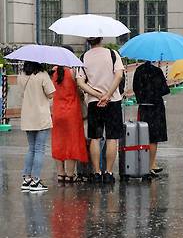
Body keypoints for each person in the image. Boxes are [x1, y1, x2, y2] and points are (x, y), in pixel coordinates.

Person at [76, 37, 125, 184]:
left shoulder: (84, 57)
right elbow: (119, 75)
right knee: (112, 138)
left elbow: (80, 82)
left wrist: (97, 95)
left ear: (88, 40)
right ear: (101, 39)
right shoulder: (113, 54)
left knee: (95, 138)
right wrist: (108, 95)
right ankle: (109, 172)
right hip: (113, 101)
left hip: (93, 103)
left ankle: (96, 172)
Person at [51, 47, 88, 183]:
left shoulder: (53, 72)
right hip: (72, 112)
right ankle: (70, 174)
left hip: (57, 112)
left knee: (59, 141)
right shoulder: (73, 72)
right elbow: (79, 90)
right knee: (72, 142)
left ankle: (60, 173)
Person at [19, 61, 56, 192]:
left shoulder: (22, 75)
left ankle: (26, 178)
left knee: (31, 148)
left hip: (27, 117)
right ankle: (36, 180)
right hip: (41, 116)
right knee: (40, 149)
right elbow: (51, 93)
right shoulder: (42, 75)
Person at [132, 61, 170, 176]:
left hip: (143, 107)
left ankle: (143, 163)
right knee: (154, 137)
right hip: (156, 107)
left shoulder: (138, 71)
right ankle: (151, 164)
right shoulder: (157, 71)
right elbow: (164, 90)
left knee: (144, 135)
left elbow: (135, 88)